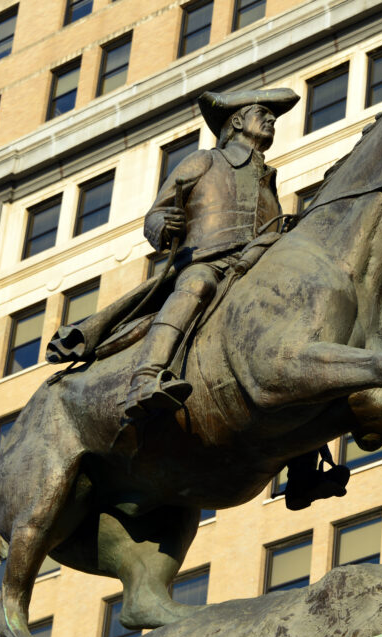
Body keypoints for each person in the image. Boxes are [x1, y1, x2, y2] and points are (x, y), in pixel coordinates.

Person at [123, 88, 299, 419]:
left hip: (257, 265)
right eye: (262, 113)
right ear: (236, 121)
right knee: (197, 286)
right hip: (209, 262)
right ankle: (145, 379)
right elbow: (155, 216)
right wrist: (166, 224)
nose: (271, 119)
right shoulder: (205, 160)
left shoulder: (267, 178)